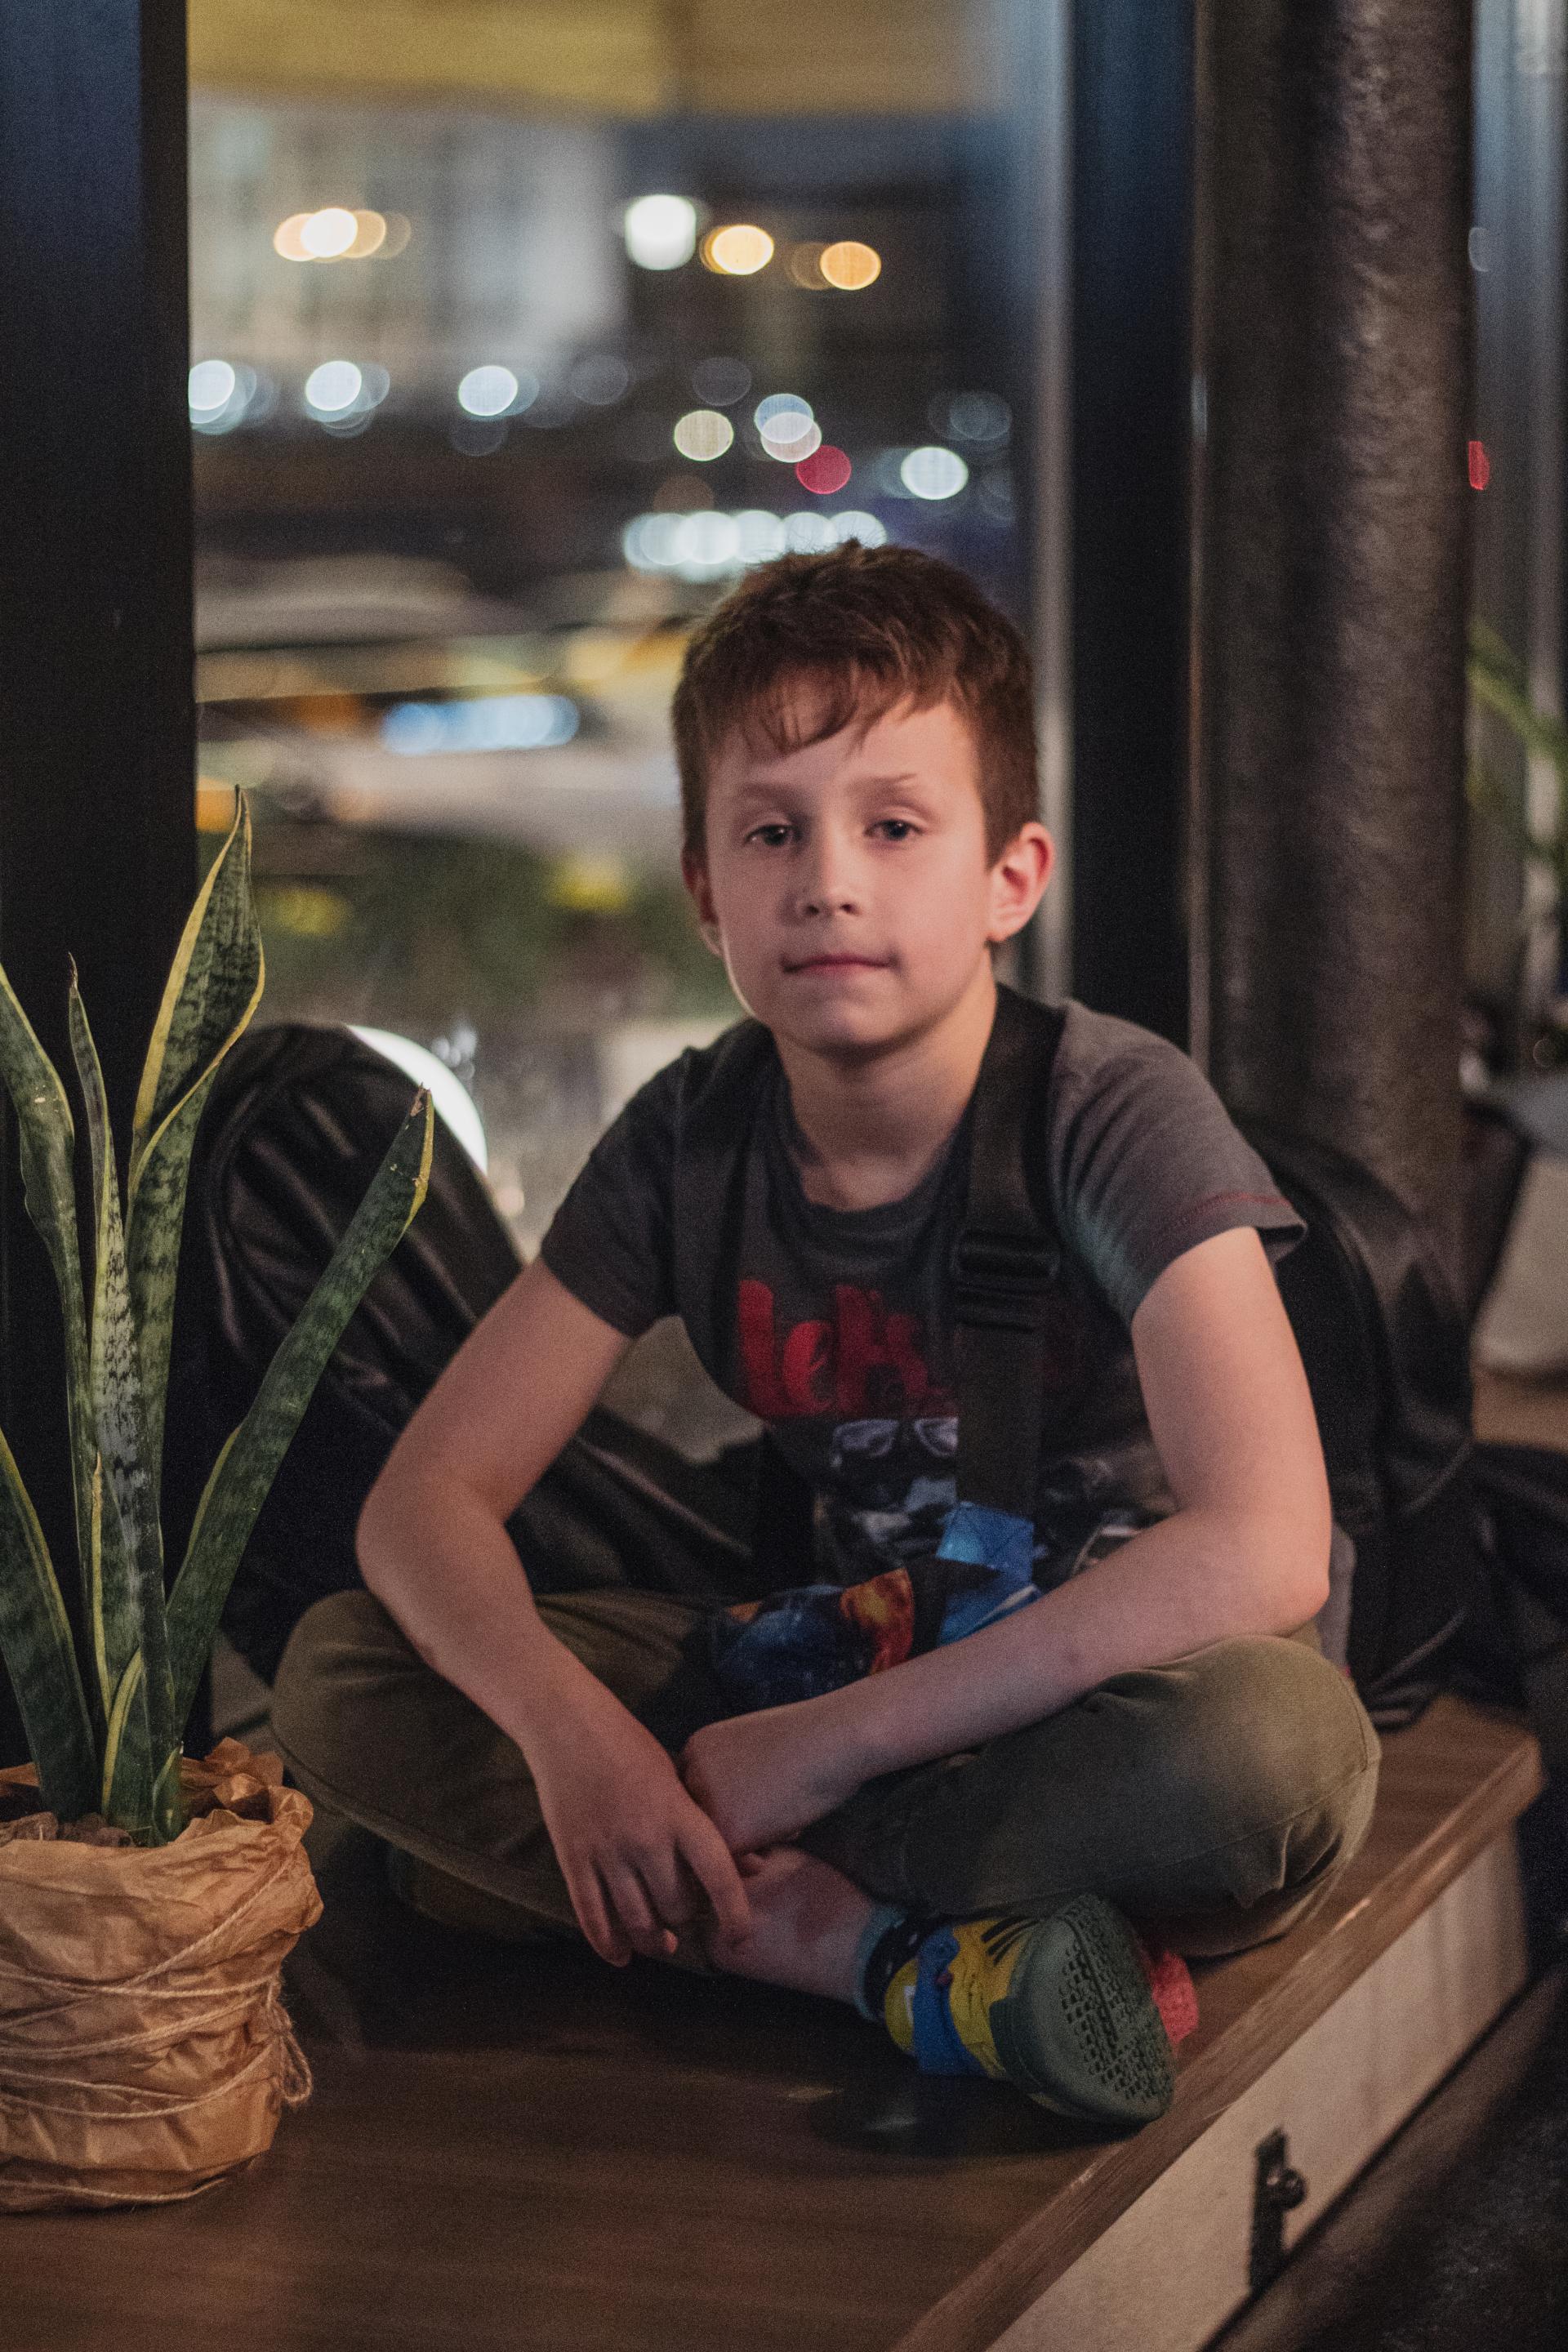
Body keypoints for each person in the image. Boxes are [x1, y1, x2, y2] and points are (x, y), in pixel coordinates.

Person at [270, 543, 1379, 2130]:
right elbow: (426, 1503)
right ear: (705, 891)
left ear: (1012, 877)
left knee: (1263, 1757)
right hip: (846, 1647)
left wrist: (822, 1752)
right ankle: (879, 1953)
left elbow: (1268, 1550)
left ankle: (703, 1905)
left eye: (894, 827)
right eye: (773, 831)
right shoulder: (691, 1137)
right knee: (340, 1673)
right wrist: (582, 1751)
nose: (828, 881)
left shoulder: (1109, 1108)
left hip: (1106, 1701)